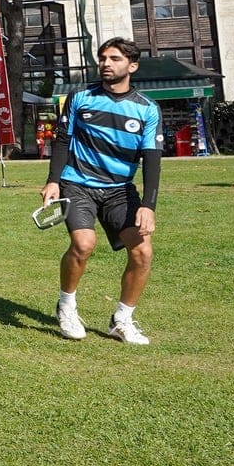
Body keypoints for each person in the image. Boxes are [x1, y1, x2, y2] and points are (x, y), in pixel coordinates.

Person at [41, 37, 162, 346]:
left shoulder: (147, 109)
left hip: (120, 190)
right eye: (103, 58)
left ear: (132, 66)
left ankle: (121, 320)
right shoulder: (80, 97)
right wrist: (53, 180)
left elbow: (151, 160)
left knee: (142, 252)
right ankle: (66, 306)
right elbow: (62, 140)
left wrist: (148, 205)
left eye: (115, 58)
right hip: (77, 183)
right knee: (83, 244)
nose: (106, 63)